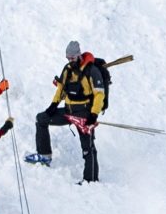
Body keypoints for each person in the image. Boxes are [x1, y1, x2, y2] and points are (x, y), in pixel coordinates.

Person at [25, 41, 107, 182]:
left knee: (88, 147)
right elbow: (61, 88)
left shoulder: (91, 71)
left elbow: (100, 94)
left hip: (84, 114)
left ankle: (91, 179)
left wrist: (93, 114)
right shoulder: (68, 69)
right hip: (68, 111)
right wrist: (53, 105)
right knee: (41, 119)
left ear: (79, 55)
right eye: (68, 58)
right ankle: (44, 155)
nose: (70, 61)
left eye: (72, 58)